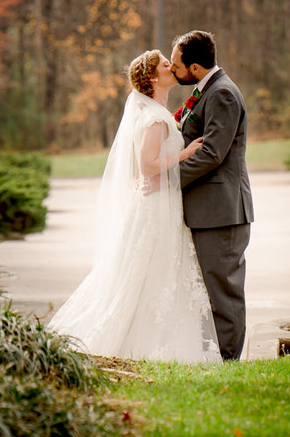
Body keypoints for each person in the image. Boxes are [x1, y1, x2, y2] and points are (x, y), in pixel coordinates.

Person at [46, 50, 221, 363]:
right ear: (154, 77)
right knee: (147, 275)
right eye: (167, 65)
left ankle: (161, 343)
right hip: (155, 209)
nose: (173, 67)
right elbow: (147, 166)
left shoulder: (156, 112)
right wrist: (185, 154)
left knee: (153, 276)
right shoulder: (154, 118)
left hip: (159, 205)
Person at [170, 30, 254, 361]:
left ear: (194, 66)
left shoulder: (223, 95)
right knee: (212, 288)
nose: (174, 71)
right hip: (210, 211)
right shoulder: (208, 91)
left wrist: (170, 181)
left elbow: (212, 154)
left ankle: (228, 359)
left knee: (224, 291)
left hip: (222, 212)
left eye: (177, 65)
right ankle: (215, 355)